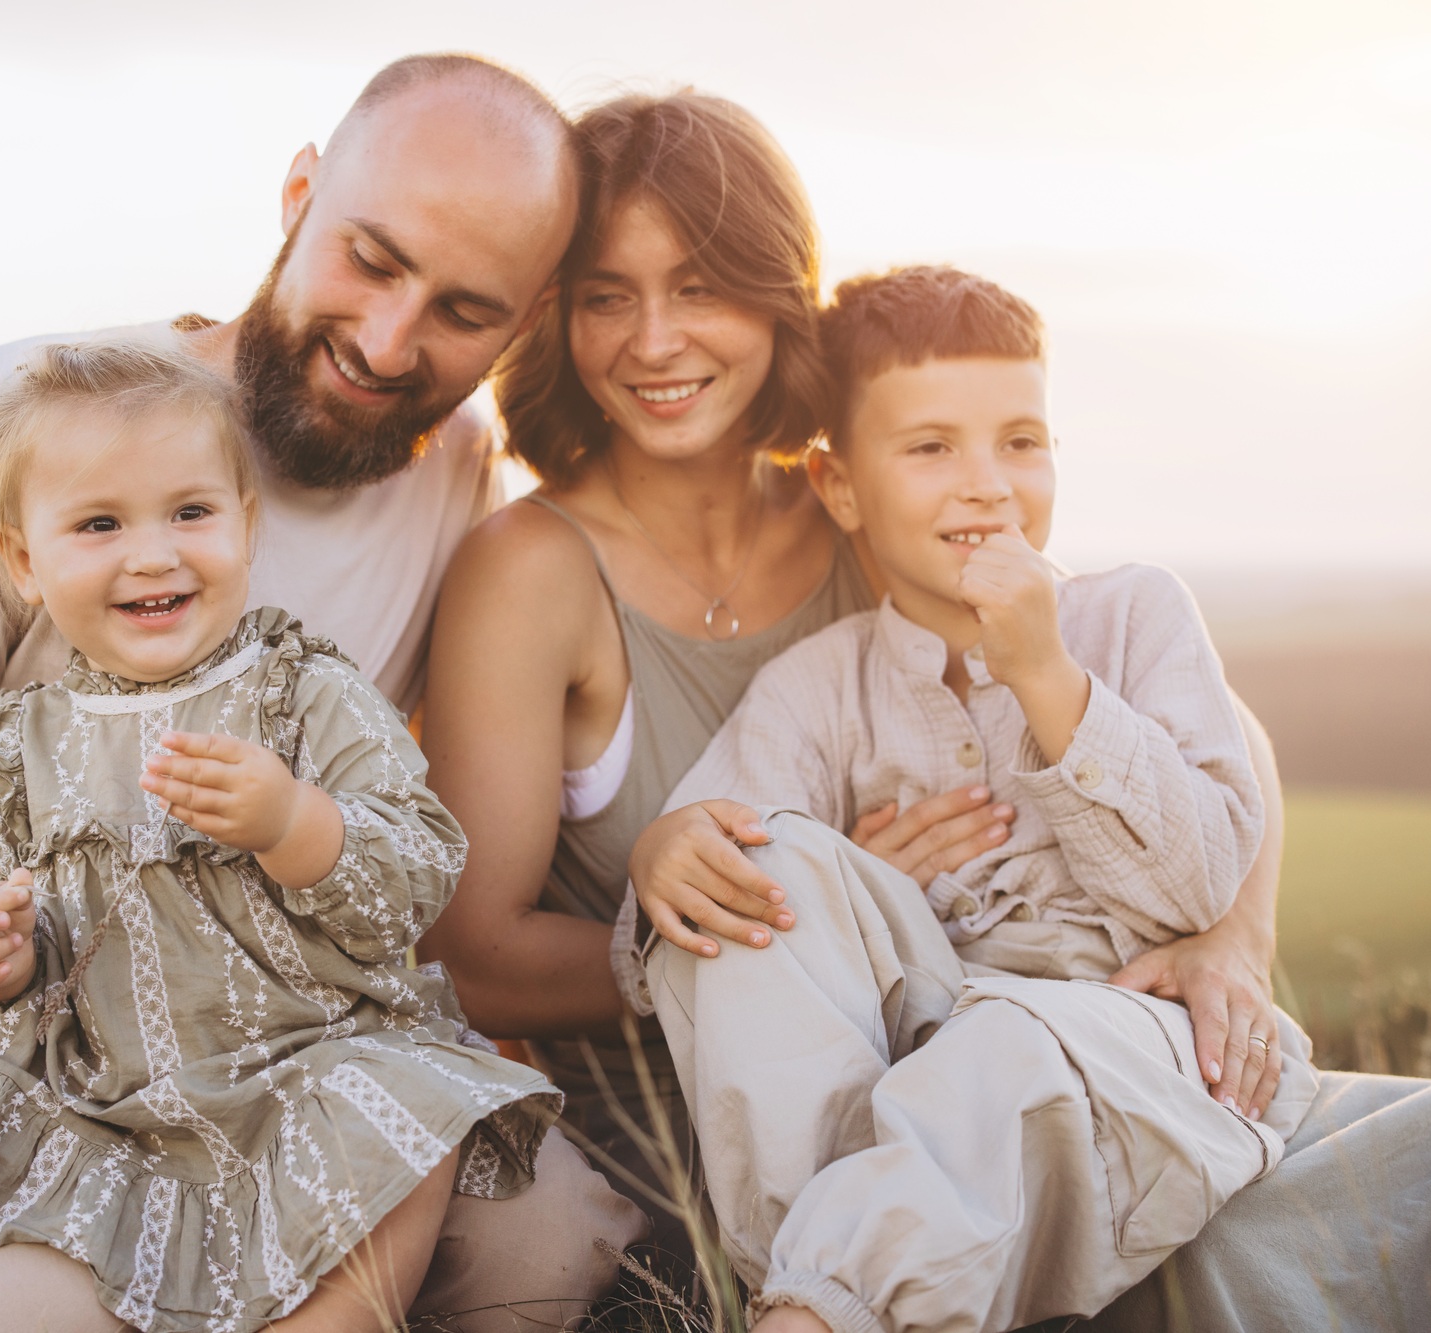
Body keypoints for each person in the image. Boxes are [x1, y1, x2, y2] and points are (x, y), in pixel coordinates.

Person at [0, 53, 643, 1332]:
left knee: (547, 1240)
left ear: (527, 318)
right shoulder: (10, 436)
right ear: (297, 194)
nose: (389, 343)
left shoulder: (455, 472)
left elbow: (401, 841)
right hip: (51, 1083)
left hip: (291, 1069)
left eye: (462, 311)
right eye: (371, 260)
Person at [419, 92, 1289, 1269]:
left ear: (779, 298)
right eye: (603, 297)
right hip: (694, 1152)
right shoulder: (530, 570)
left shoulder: (878, 513)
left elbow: (1180, 709)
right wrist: (818, 915)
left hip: (962, 1091)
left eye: (701, 288)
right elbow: (477, 957)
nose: (652, 341)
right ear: (554, 317)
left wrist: (1229, 942)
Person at [0, 340, 563, 1333]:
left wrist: (295, 823)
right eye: (98, 523)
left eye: (189, 512)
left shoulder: (302, 690)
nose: (152, 553)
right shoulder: (26, 741)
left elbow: (416, 867)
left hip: (294, 1083)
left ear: (244, 523)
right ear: (24, 559)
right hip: (93, 1097)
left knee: (411, 1115)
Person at [628, 265, 1319, 1332]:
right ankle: (811, 1279)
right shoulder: (818, 687)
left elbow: (1194, 884)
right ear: (839, 483)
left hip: (1122, 1032)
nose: (988, 484)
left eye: (1020, 441)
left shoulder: (1133, 617)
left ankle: (817, 1314)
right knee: (757, 868)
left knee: (997, 1048)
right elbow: (698, 920)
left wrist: (1050, 680)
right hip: (924, 1033)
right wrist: (667, 857)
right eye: (929, 447)